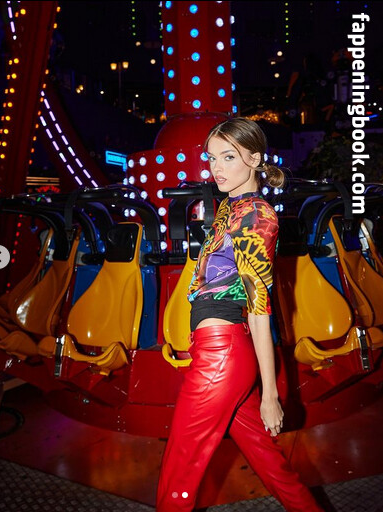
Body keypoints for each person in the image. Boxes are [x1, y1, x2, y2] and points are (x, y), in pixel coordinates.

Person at [156, 118, 323, 512]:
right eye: (212, 158)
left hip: (222, 355)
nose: (217, 167)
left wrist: (270, 395)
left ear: (255, 158)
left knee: (179, 470)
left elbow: (260, 308)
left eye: (228, 157)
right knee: (272, 466)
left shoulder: (257, 217)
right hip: (221, 351)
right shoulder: (230, 207)